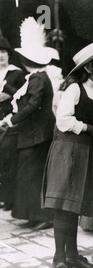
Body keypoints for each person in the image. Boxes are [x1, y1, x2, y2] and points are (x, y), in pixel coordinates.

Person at [41, 41, 93, 268]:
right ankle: (59, 261)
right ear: (91, 66)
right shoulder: (73, 89)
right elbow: (63, 121)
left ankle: (72, 256)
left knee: (73, 205)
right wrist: (90, 129)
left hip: (83, 153)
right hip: (67, 151)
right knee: (63, 206)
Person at [0, 18, 55, 230]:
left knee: (34, 174)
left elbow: (33, 106)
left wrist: (12, 120)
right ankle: (33, 214)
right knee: (28, 174)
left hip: (38, 135)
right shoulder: (33, 78)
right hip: (30, 134)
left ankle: (44, 216)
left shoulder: (39, 79)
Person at [0, 37, 26, 211]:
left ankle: (9, 199)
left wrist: (9, 94)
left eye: (4, 53)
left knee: (8, 159)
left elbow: (23, 95)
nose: (1, 56)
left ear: (9, 55)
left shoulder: (16, 73)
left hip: (9, 121)